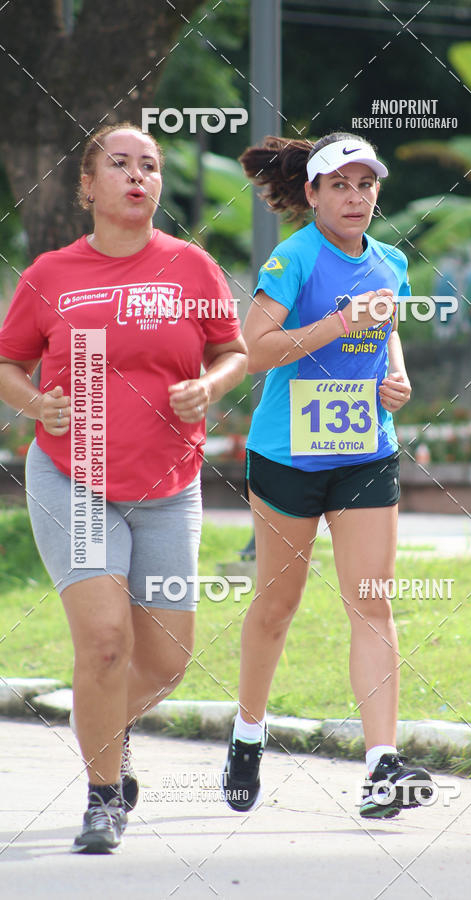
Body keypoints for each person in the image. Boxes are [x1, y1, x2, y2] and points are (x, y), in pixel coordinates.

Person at [0, 123, 247, 852]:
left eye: (150, 165)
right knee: (106, 642)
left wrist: (209, 385)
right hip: (74, 477)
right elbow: (8, 364)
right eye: (120, 164)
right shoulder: (50, 275)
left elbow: (233, 351)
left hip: (169, 486)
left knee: (167, 662)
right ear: (87, 186)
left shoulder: (192, 267)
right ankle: (104, 798)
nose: (138, 176)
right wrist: (34, 403)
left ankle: (110, 726)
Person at [222, 132, 433, 820]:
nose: (355, 197)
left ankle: (382, 766)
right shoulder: (295, 257)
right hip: (288, 455)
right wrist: (338, 323)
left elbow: (387, 327)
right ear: (311, 194)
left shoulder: (391, 262)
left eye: (365, 184)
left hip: (365, 452)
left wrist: (397, 375)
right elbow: (254, 349)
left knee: (372, 602)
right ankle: (247, 732)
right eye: (339, 185)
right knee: (276, 608)